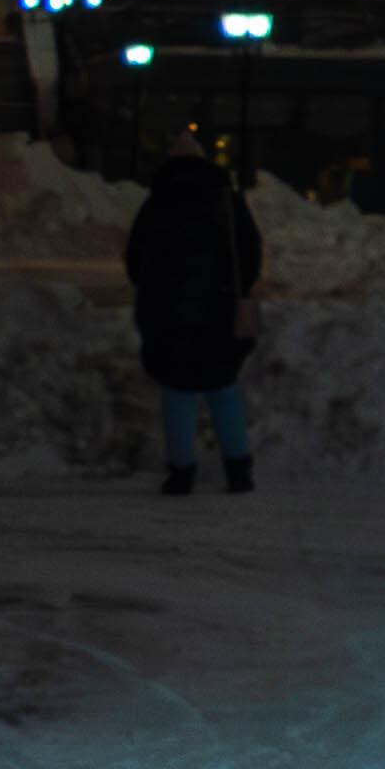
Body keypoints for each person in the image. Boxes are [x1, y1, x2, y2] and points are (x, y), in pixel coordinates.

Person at [122, 127, 266, 495]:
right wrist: (237, 288)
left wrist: (154, 291)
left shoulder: (157, 203)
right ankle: (238, 470)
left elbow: (136, 256)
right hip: (221, 306)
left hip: (167, 311)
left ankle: (181, 471)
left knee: (178, 393)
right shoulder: (227, 201)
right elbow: (250, 250)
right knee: (223, 389)